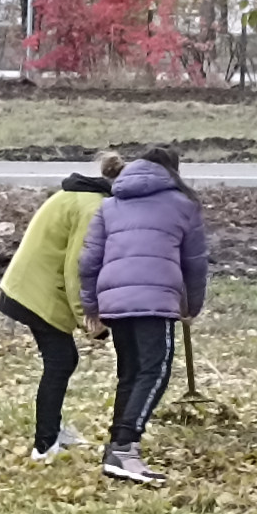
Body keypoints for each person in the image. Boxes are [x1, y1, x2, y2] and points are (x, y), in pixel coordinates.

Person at [79, 146, 207, 484]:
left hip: (115, 301)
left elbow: (89, 261)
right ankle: (124, 449)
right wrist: (192, 307)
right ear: (173, 172)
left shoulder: (110, 204)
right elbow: (194, 263)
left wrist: (91, 307)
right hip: (155, 300)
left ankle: (116, 450)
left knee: (131, 373)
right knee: (155, 372)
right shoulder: (184, 205)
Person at [0, 152, 127, 463]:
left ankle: (52, 430)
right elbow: (78, 269)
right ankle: (44, 446)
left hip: (29, 286)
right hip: (36, 292)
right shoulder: (93, 208)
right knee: (60, 362)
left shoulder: (82, 196)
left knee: (63, 361)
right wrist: (88, 317)